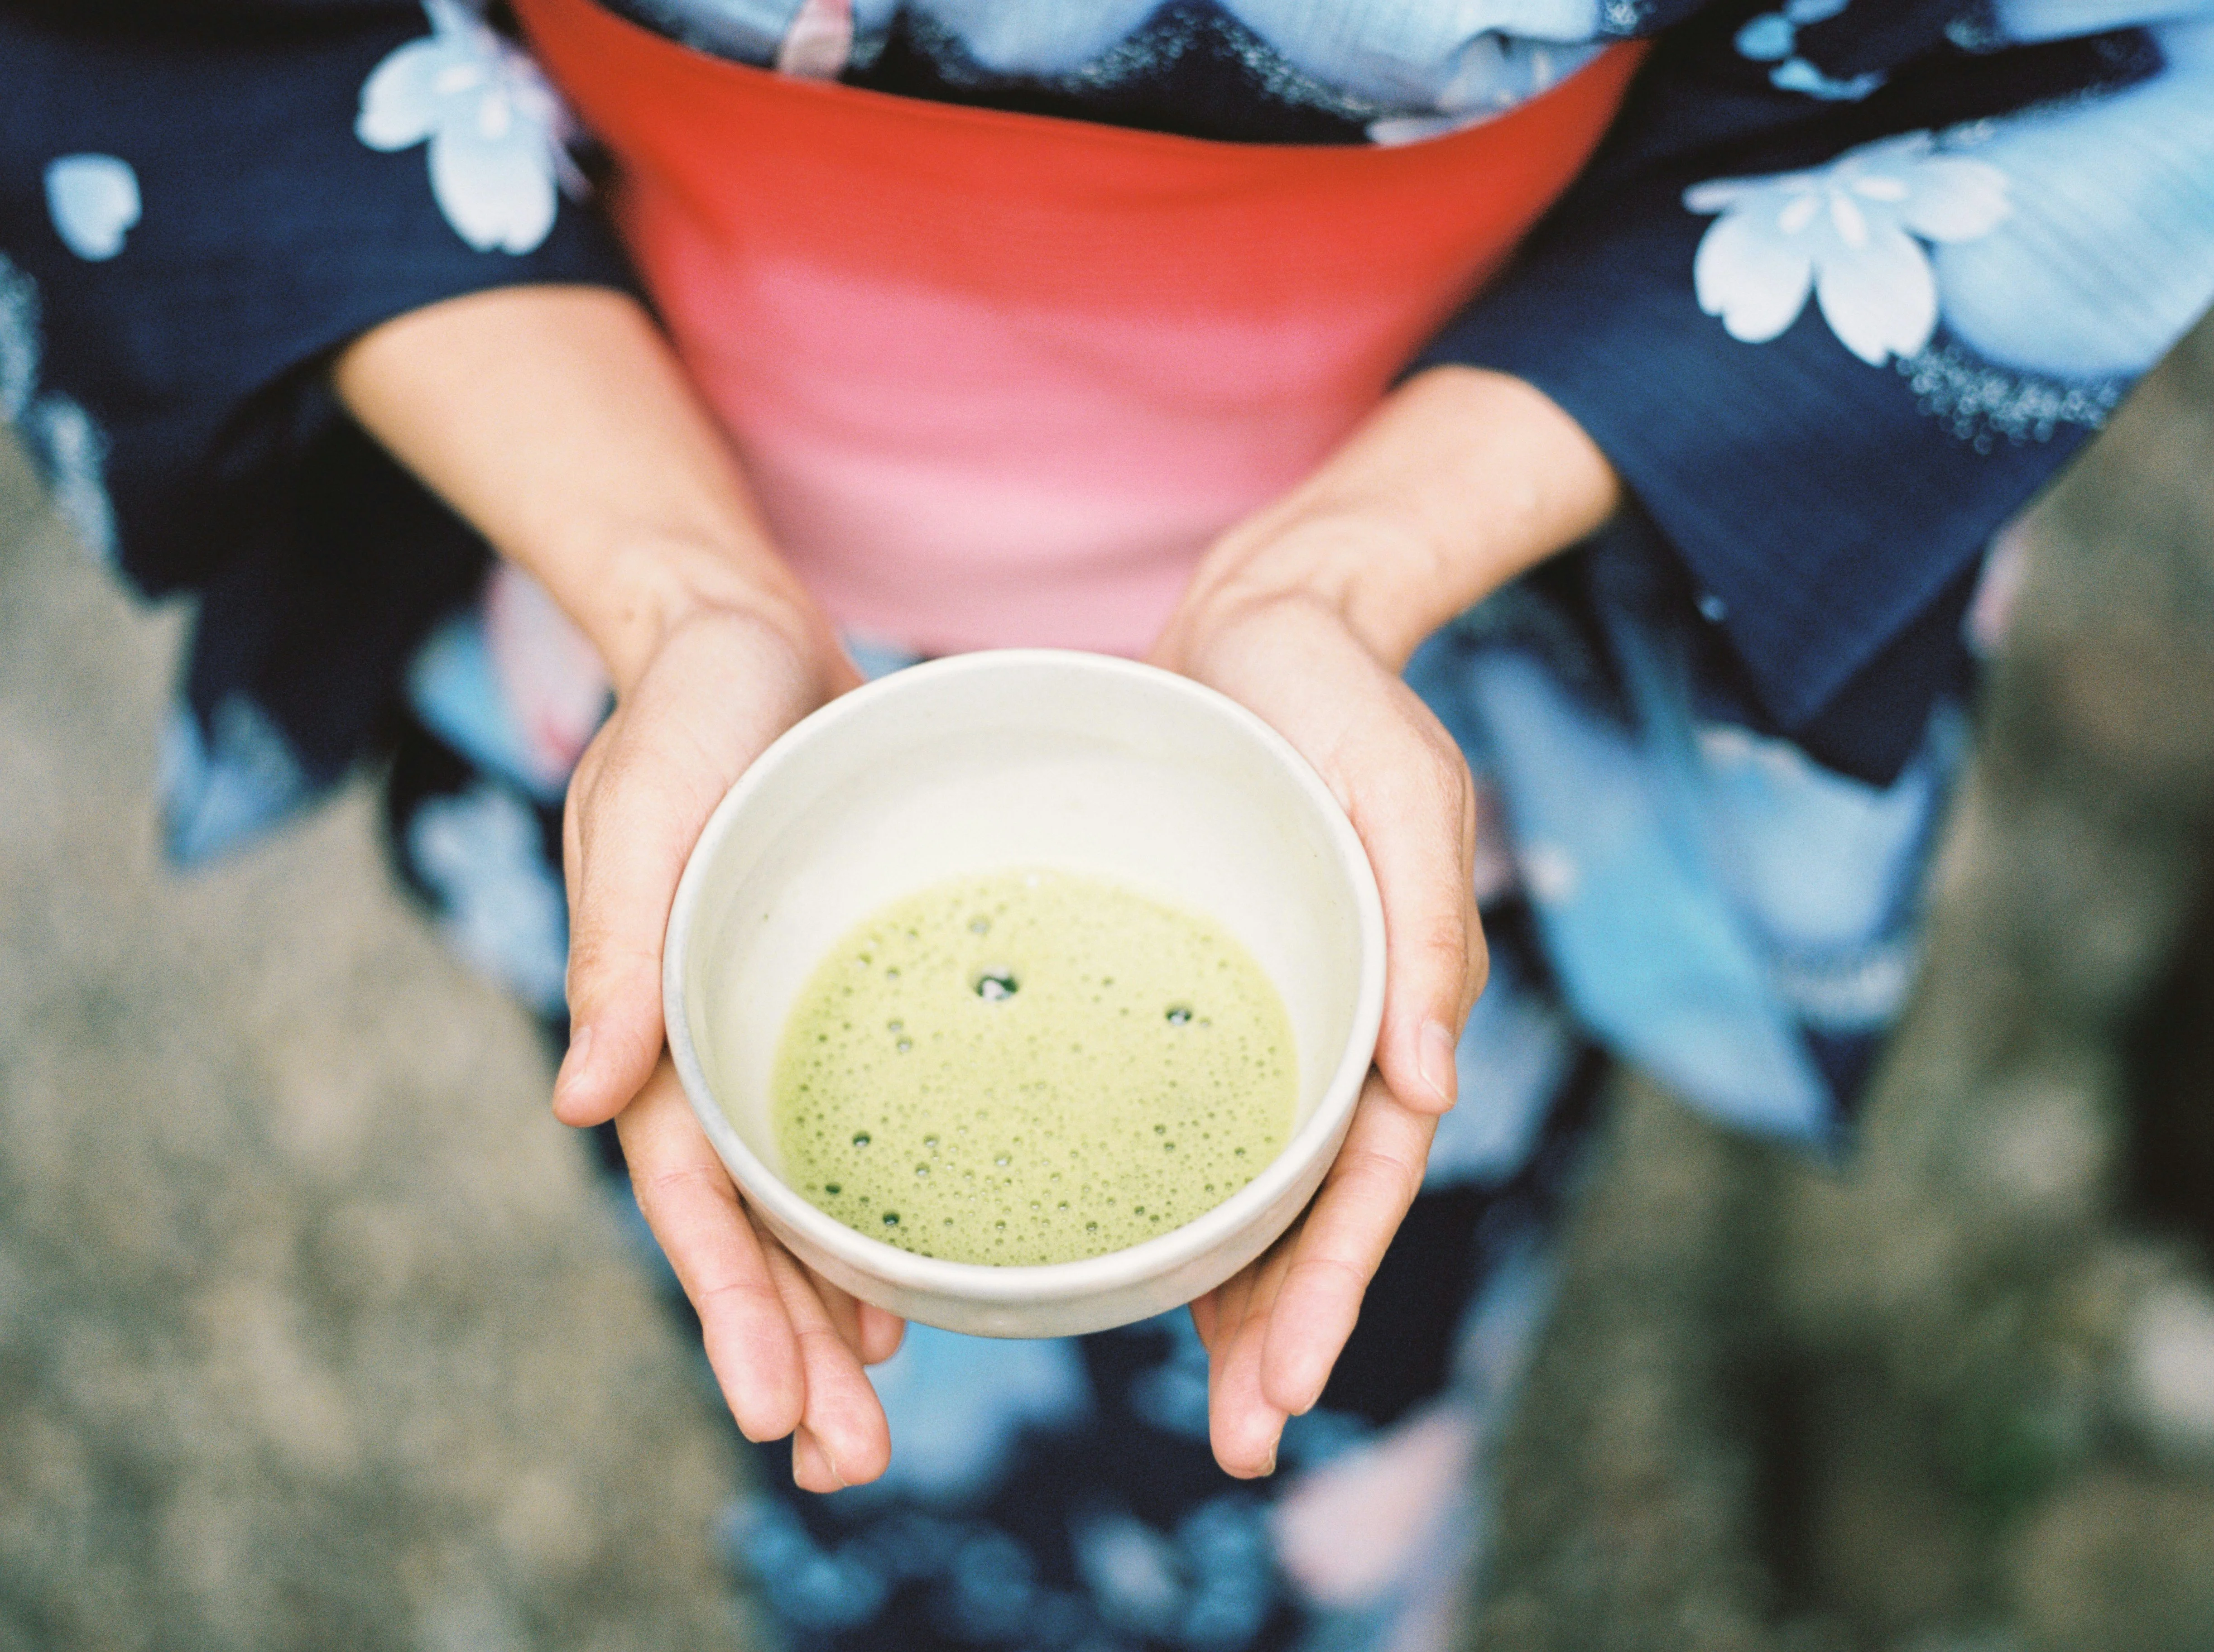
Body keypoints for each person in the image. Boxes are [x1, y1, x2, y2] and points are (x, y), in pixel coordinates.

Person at [5, 1, 2212, 1646]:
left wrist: (1338, 574)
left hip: (1431, 671)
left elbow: (2067, 58)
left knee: (1349, 1377)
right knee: (813, 1344)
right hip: (644, 611)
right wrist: (679, 590)